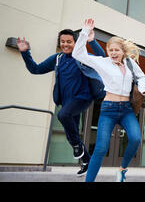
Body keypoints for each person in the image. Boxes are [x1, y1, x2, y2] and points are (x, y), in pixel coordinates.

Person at [16, 28, 105, 177]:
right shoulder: (57, 59)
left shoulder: (82, 57)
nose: (65, 44)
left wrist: (92, 41)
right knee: (71, 133)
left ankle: (78, 147)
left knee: (63, 116)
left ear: (76, 43)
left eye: (69, 42)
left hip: (82, 98)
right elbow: (36, 69)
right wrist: (25, 52)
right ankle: (86, 160)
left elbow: (102, 58)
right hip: (67, 101)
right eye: (63, 42)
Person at [72, 19, 145, 182]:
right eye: (110, 50)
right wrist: (84, 33)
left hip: (126, 109)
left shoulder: (129, 63)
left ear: (123, 51)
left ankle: (122, 170)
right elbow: (77, 54)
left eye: (116, 50)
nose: (113, 53)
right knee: (100, 148)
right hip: (108, 109)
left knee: (135, 139)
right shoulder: (102, 62)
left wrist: (143, 89)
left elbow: (142, 76)